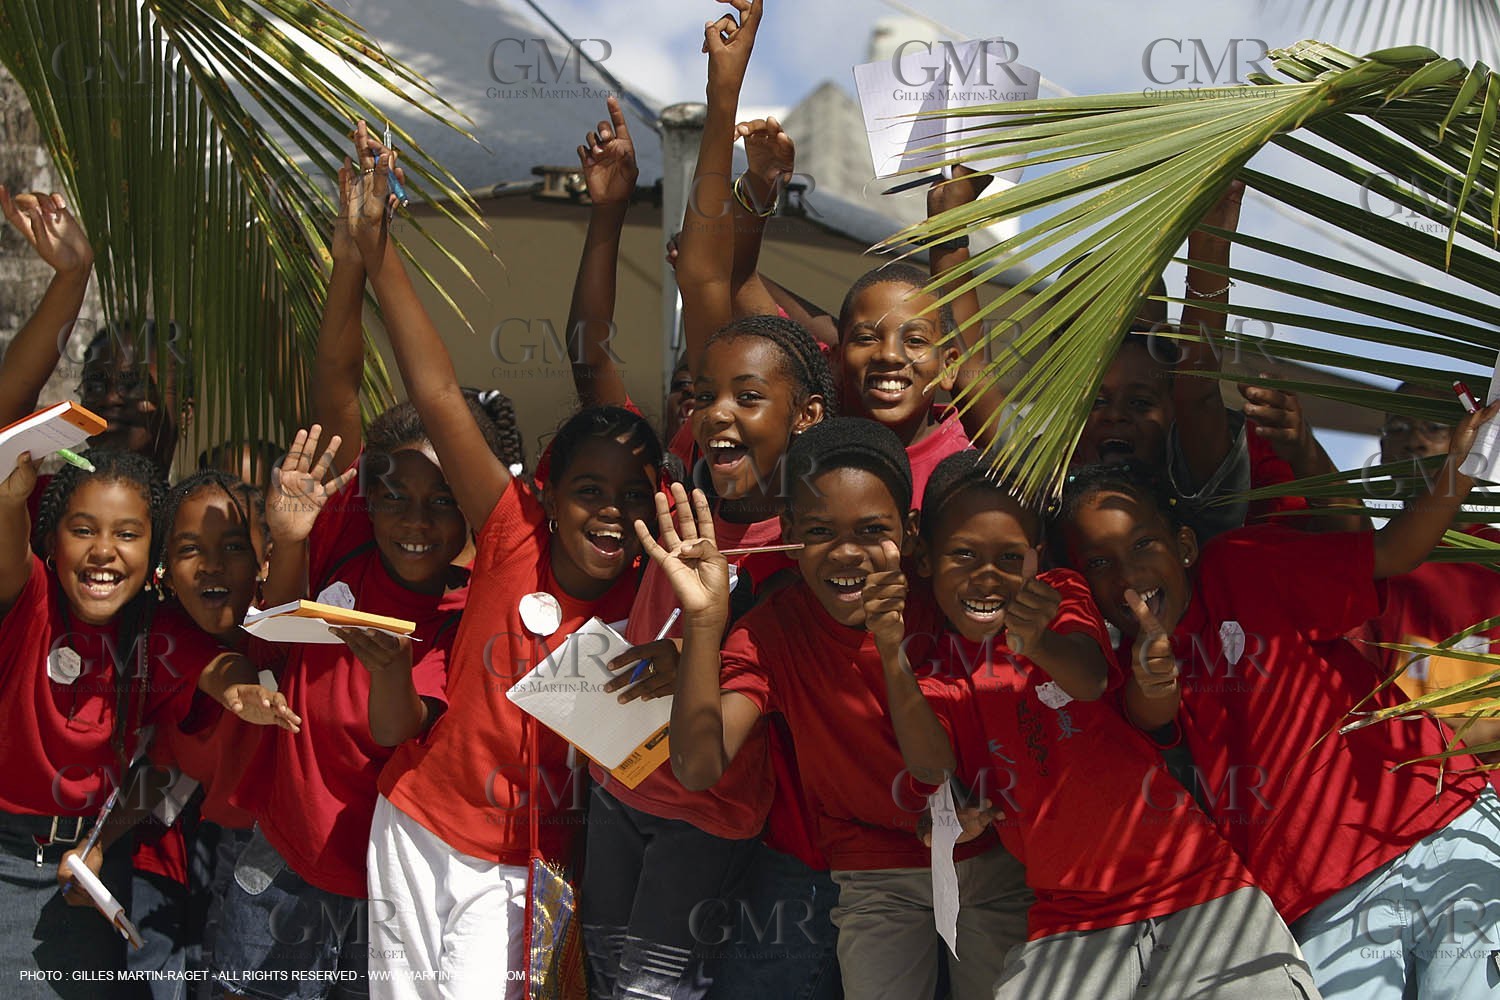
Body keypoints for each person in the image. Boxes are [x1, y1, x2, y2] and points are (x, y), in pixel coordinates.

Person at [344, 121, 664, 999]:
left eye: (635, 498)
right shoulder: (510, 527)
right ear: (550, 493)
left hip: (527, 868)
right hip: (414, 824)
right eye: (592, 492)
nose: (613, 514)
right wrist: (378, 254)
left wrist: (612, 218)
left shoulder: (655, 595)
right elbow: (436, 389)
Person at [1052, 394, 1500, 1000]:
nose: (1127, 573)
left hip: (1440, 823)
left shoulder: (1243, 565)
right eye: (1099, 561)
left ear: (1183, 544)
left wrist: (1465, 465)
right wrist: (1153, 676)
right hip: (1322, 892)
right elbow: (1149, 715)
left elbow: (1391, 552)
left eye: (1142, 545)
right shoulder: (1104, 662)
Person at [869, 449, 1321, 998]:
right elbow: (931, 763)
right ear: (925, 560)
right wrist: (891, 653)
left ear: (1037, 559)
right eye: (963, 555)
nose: (987, 577)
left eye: (1010, 558)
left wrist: (1036, 642)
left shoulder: (1059, 595)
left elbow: (1088, 678)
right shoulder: (941, 673)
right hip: (1071, 919)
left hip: (1197, 886)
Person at [647, 420, 1033, 1000]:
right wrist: (705, 623)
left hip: (987, 854)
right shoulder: (775, 633)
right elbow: (699, 767)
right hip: (876, 871)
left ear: (910, 534)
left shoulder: (946, 600)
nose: (847, 551)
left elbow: (964, 746)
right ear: (793, 532)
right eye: (821, 531)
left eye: (873, 529)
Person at [0, 448, 290, 995]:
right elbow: (7, 552)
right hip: (7, 852)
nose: (104, 551)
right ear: (50, 542)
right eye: (83, 530)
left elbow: (214, 665)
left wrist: (240, 688)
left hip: (89, 865)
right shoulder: (31, 599)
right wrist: (11, 499)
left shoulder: (154, 631)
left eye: (128, 535)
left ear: (151, 552)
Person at [1351, 383, 1500, 760]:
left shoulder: (1494, 558)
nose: (1414, 443)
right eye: (1398, 429)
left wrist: (1477, 734)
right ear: (1382, 451)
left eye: (1434, 427)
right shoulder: (1360, 557)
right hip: (1383, 787)